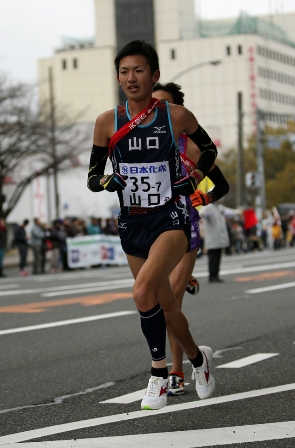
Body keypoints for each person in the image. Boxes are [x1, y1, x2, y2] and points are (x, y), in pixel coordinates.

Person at [88, 40, 221, 410]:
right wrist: (106, 181)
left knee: (143, 291)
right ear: (118, 77)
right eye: (125, 71)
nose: (131, 78)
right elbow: (92, 176)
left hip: (171, 218)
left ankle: (158, 375)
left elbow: (209, 150)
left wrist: (192, 176)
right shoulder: (106, 122)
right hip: (133, 224)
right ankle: (199, 360)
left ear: (155, 75)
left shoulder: (175, 116)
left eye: (139, 70)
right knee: (166, 307)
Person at [152, 82, 229, 395]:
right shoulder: (141, 145)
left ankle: (176, 370)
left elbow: (220, 185)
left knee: (170, 300)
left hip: (186, 228)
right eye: (152, 106)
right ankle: (198, 359)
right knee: (155, 301)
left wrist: (203, 198)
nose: (157, 112)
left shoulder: (193, 148)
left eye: (164, 106)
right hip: (153, 229)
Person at [200, 202, 231, 282]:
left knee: (217, 257)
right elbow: (202, 213)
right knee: (213, 258)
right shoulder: (208, 207)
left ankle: (216, 275)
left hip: (218, 238)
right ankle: (212, 275)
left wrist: (238, 211)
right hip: (212, 238)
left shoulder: (219, 207)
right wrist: (206, 213)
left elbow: (229, 212)